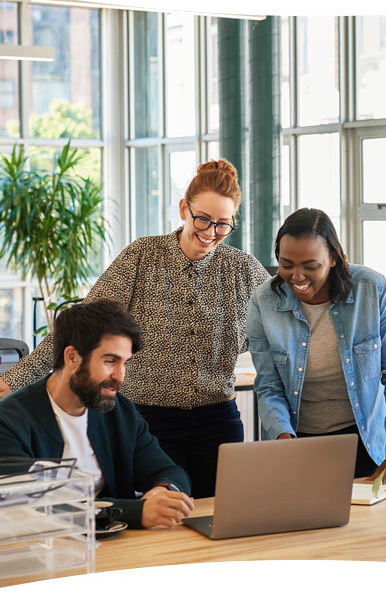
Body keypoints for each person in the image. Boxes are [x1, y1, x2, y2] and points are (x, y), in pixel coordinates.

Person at [0, 159, 270, 498]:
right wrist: (13, 379)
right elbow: (83, 323)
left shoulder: (242, 268)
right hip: (149, 421)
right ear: (184, 208)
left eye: (223, 224)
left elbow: (278, 324)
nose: (211, 232)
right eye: (203, 219)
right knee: (163, 517)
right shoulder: (143, 256)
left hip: (218, 419)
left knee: (221, 516)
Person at [246, 208, 386, 485]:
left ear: (334, 258)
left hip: (365, 442)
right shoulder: (264, 301)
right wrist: (283, 439)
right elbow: (269, 386)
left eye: (310, 267)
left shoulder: (371, 289)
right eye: (286, 264)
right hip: (296, 439)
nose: (297, 276)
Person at [0, 299, 194, 529]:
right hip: (45, 550)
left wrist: (163, 492)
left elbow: (169, 471)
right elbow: (37, 505)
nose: (120, 376)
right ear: (72, 357)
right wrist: (134, 512)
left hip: (120, 548)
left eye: (124, 364)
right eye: (110, 361)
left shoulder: (120, 411)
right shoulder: (9, 422)